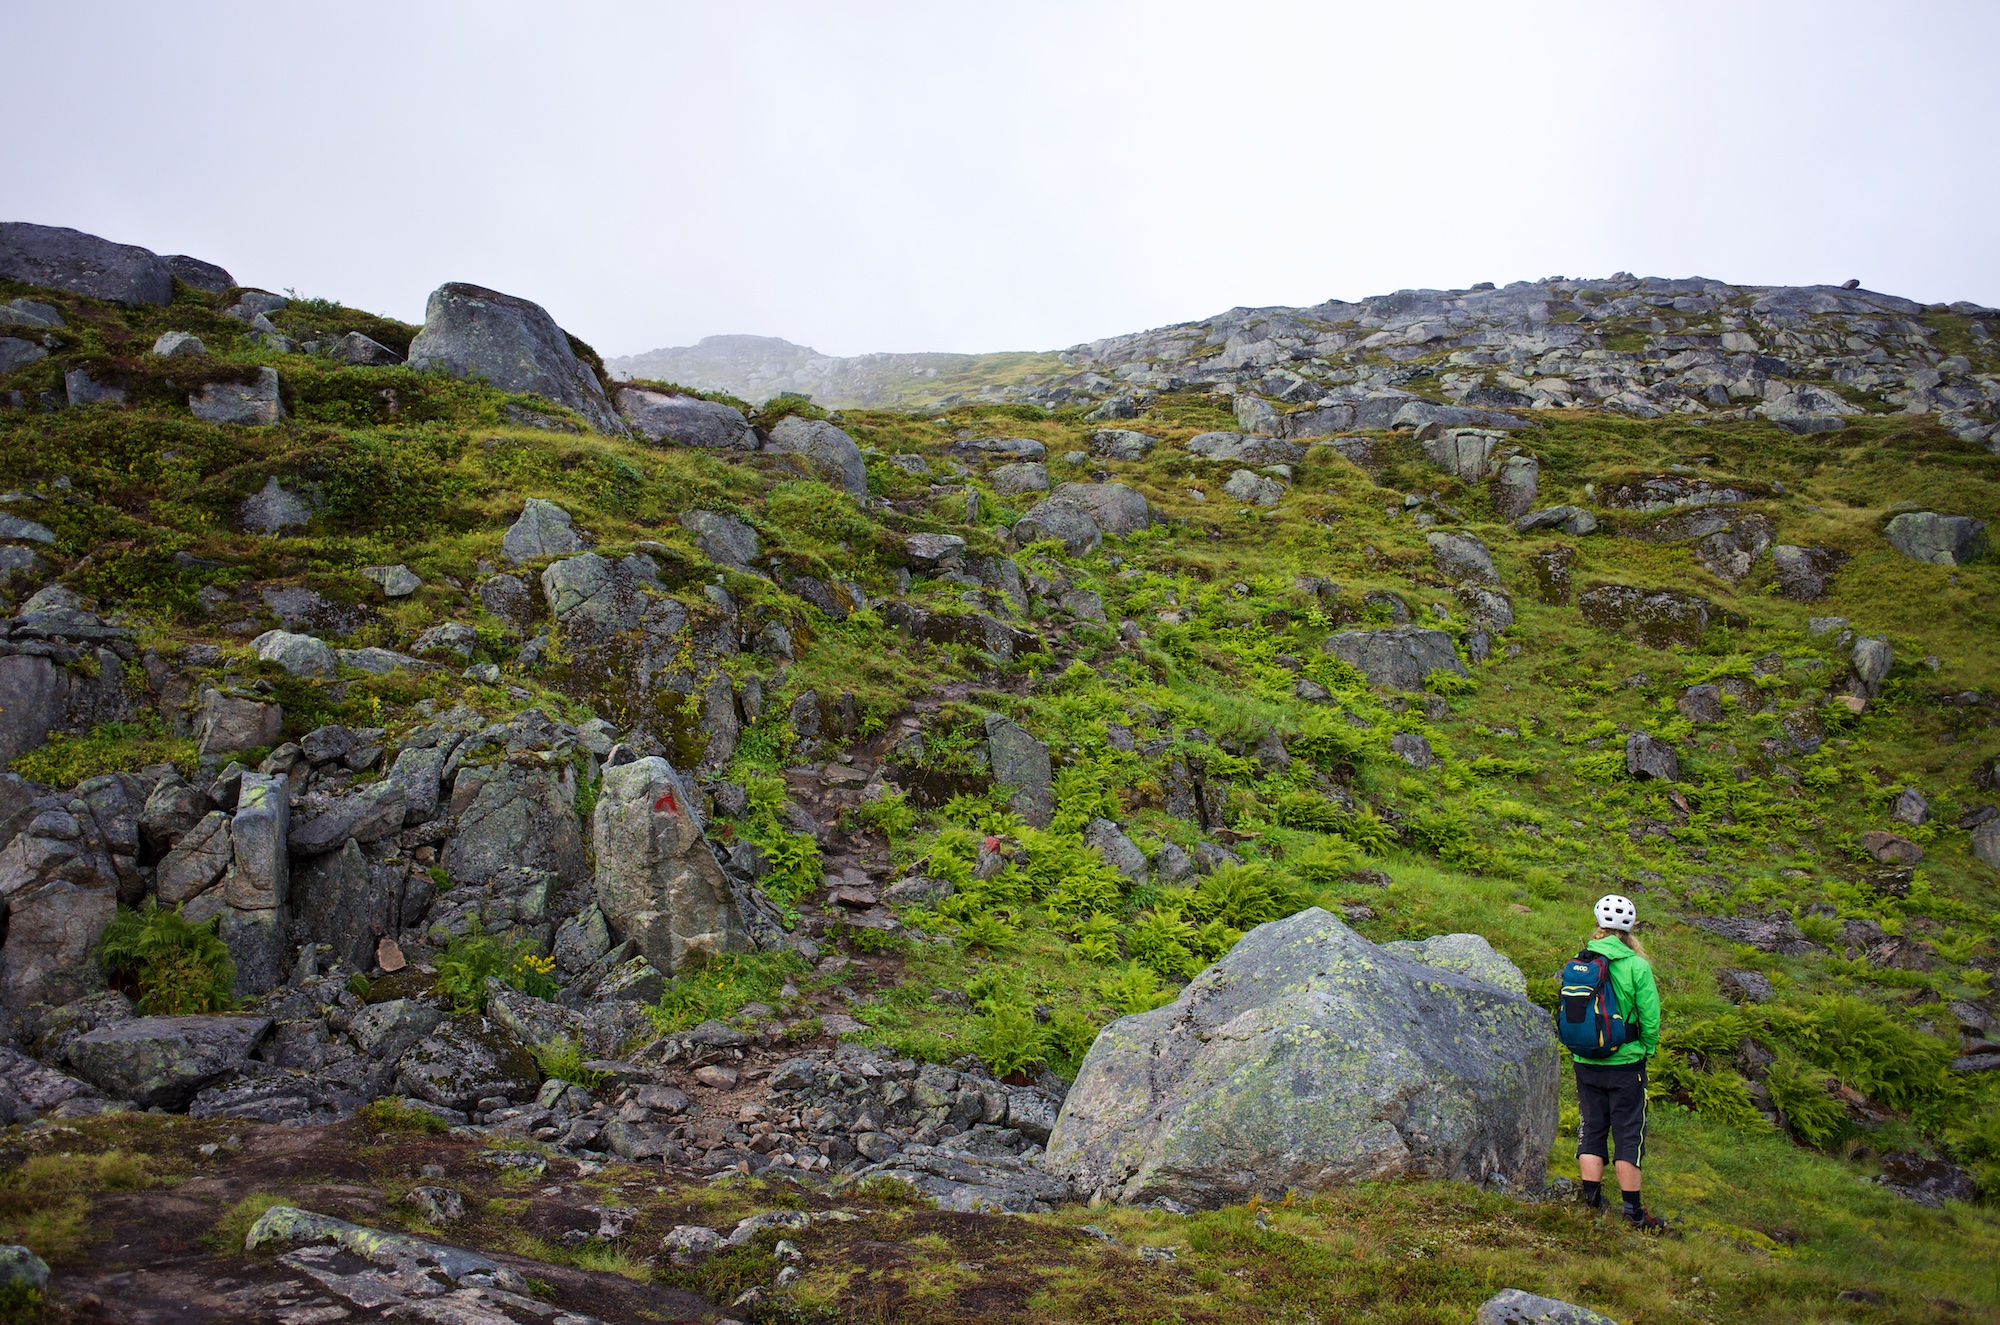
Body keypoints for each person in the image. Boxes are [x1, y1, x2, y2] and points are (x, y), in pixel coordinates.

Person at [1574, 894, 1665, 1230]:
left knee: (1591, 1128)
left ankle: (1591, 1204)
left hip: (1585, 1060)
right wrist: (1646, 1048)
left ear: (1598, 924)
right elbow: (1650, 1018)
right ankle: (1634, 1214)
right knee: (1628, 1135)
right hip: (1626, 1065)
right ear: (1630, 930)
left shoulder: (1581, 960)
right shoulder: (1636, 966)